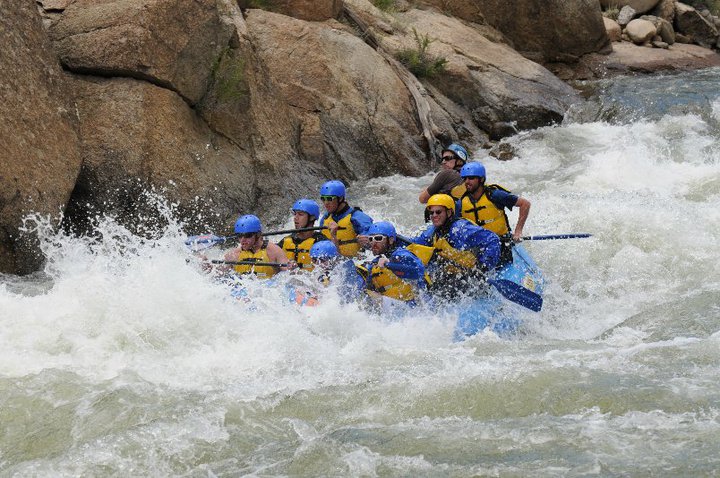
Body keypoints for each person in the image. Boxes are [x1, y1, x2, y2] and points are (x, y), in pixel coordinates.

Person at [411, 194, 501, 301]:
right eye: (431, 213)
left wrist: (483, 266)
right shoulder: (432, 232)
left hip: (472, 275)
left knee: (443, 294)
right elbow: (413, 244)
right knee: (426, 287)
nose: (434, 215)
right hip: (450, 274)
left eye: (438, 212)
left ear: (449, 213)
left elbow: (492, 239)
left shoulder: (460, 229)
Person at [458, 161, 531, 263]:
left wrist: (518, 231)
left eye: (471, 178)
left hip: (501, 245)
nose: (467, 181)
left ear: (481, 179)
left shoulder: (495, 195)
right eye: (465, 179)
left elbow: (525, 204)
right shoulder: (461, 203)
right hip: (477, 249)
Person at [355, 221, 427, 306]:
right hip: (395, 309)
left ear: (391, 240)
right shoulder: (376, 262)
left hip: (413, 307)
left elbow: (419, 270)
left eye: (378, 238)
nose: (374, 242)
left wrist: (389, 264)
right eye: (371, 239)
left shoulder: (401, 254)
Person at [318, 180, 373, 257]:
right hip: (330, 264)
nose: (326, 203)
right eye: (323, 199)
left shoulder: (358, 218)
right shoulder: (325, 219)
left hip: (355, 263)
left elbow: (374, 244)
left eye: (329, 199)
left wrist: (367, 242)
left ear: (340, 199)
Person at [223, 214, 288, 279]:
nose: (242, 240)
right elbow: (217, 273)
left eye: (247, 235)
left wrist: (292, 267)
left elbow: (289, 273)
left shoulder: (274, 251)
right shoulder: (234, 254)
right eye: (239, 236)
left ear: (258, 235)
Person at [277, 198, 327, 271]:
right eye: (295, 214)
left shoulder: (321, 241)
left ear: (311, 218)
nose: (295, 218)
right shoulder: (286, 240)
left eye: (300, 214)